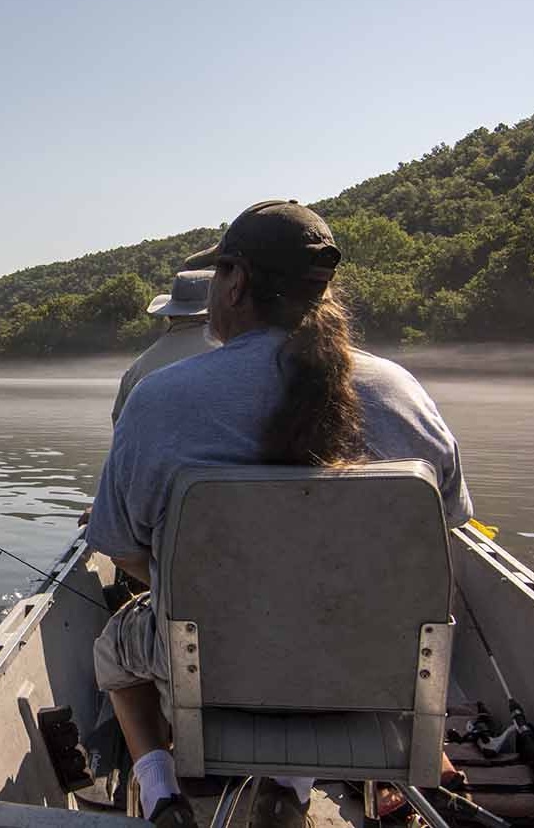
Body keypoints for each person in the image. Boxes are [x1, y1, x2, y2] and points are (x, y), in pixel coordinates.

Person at [86, 200, 473, 828]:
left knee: (112, 649)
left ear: (235, 282)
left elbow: (124, 550)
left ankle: (160, 793)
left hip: (209, 663)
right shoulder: (401, 391)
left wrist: (204, 593)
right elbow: (444, 528)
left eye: (216, 276)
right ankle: (318, 785)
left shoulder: (160, 401)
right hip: (370, 663)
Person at [111, 270, 218, 425]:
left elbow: (119, 425)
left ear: (170, 315)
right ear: (214, 310)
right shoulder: (232, 358)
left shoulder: (136, 369)